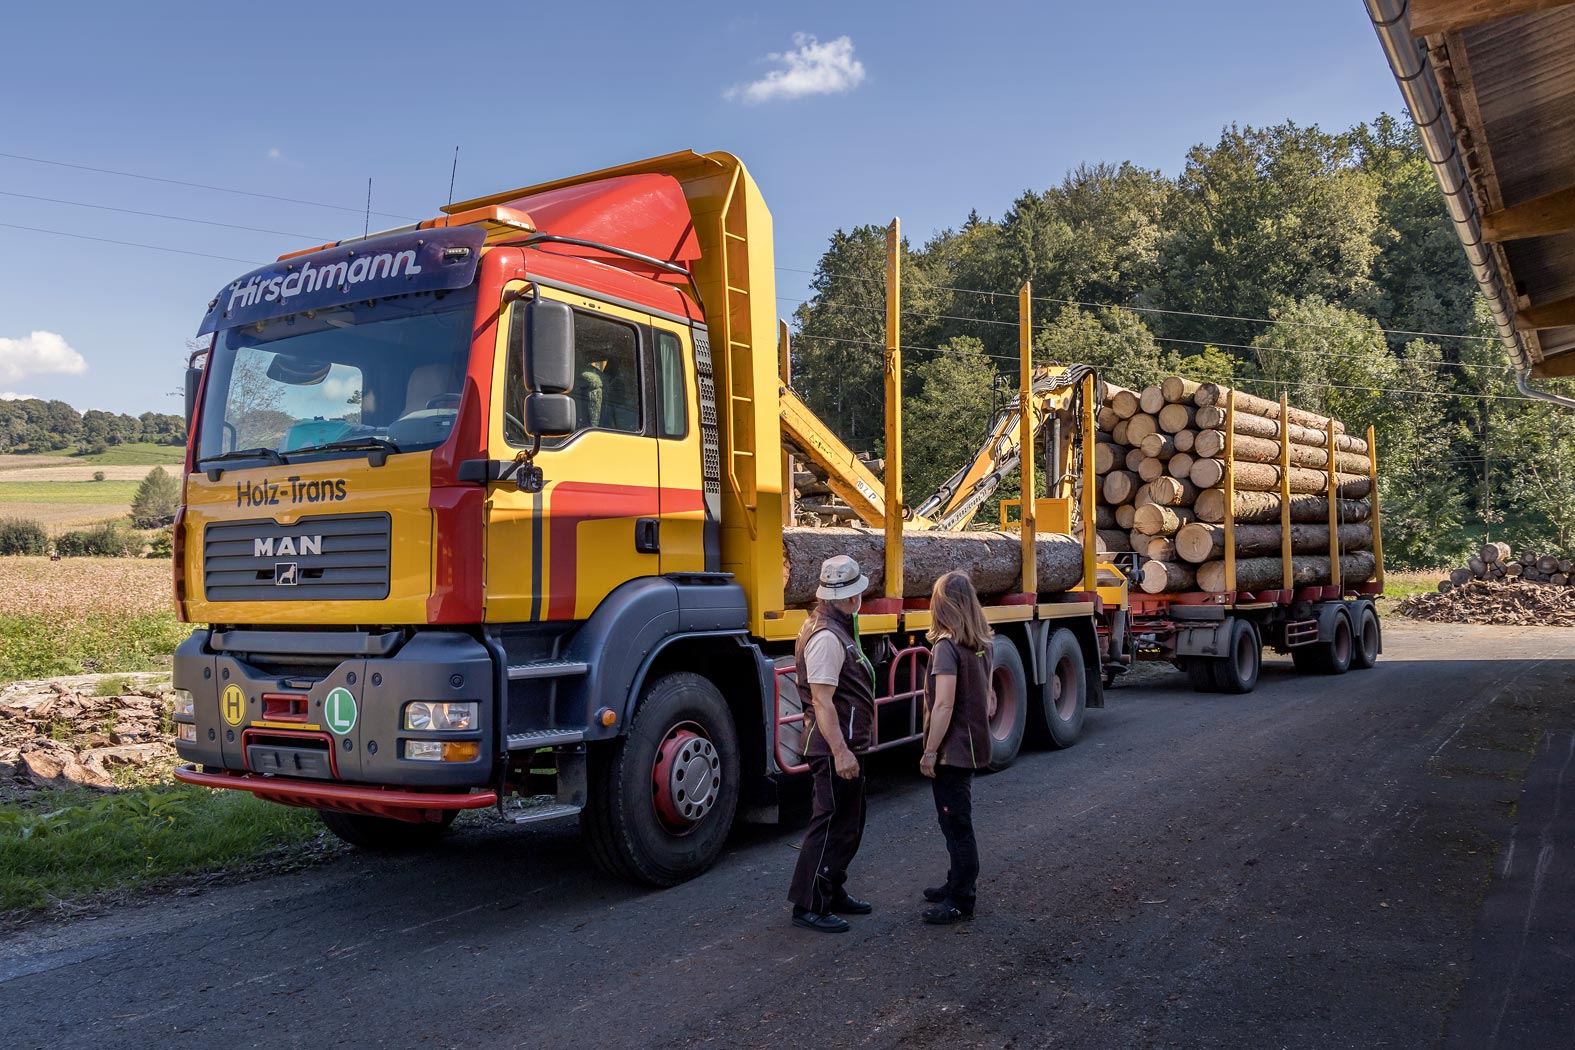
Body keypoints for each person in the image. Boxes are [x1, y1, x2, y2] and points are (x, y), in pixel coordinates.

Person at [787, 554, 877, 933]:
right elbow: (822, 701)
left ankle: (831, 889)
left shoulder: (834, 628)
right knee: (830, 823)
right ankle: (809, 904)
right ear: (850, 597)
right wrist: (840, 752)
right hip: (832, 748)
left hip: (843, 744)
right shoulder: (826, 636)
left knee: (847, 823)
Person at [918, 570, 996, 924]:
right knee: (957, 821)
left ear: (942, 605)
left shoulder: (946, 648)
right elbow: (989, 699)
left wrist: (930, 751)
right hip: (974, 745)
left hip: (953, 751)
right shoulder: (984, 643)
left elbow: (944, 704)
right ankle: (955, 883)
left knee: (956, 825)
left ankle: (961, 899)